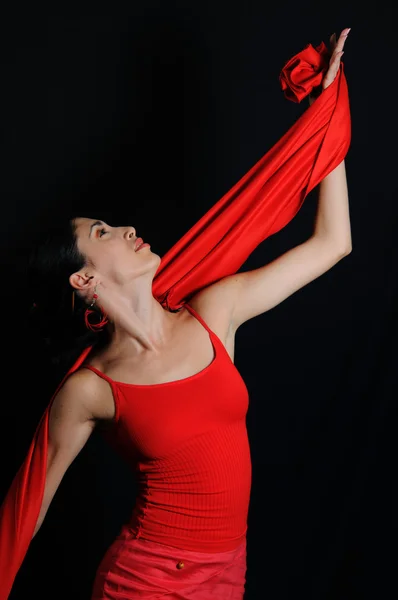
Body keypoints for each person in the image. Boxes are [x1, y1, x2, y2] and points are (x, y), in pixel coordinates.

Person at [0, 28, 351, 600]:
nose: (126, 229)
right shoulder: (90, 390)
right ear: (84, 279)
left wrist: (325, 119)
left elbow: (333, 243)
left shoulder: (214, 311)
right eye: (102, 232)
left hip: (227, 575)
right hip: (144, 582)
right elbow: (26, 513)